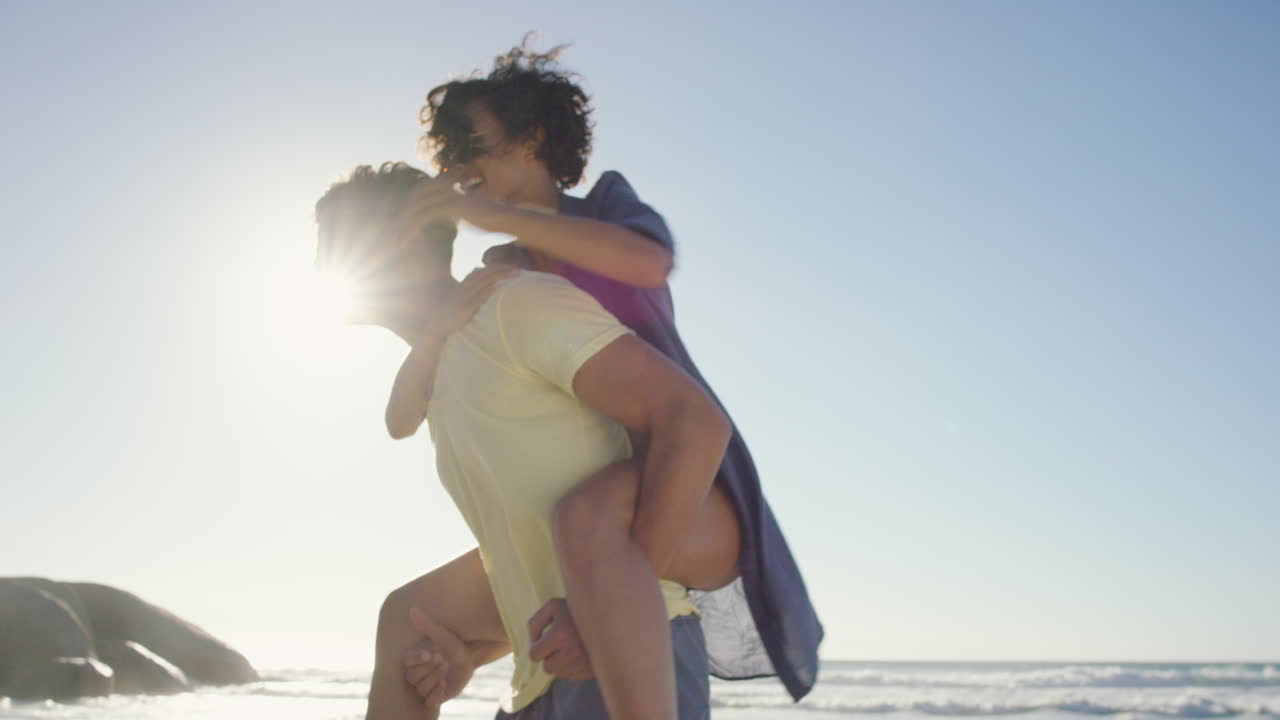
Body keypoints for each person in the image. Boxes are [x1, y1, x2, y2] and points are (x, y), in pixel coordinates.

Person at [380, 41, 824, 718]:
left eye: (474, 139)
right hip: (590, 503)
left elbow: (647, 262)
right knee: (408, 613)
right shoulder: (502, 267)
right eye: (452, 150)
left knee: (585, 518)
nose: (462, 163)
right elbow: (400, 421)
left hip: (679, 472)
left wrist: (497, 218)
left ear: (532, 135)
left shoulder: (600, 207)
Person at [315, 161, 735, 720]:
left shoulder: (511, 304)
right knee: (406, 619)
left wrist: (595, 618)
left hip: (622, 662)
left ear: (406, 238)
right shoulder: (436, 374)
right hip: (537, 684)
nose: (320, 264)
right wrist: (470, 650)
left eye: (335, 242)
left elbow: (697, 420)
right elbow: (528, 552)